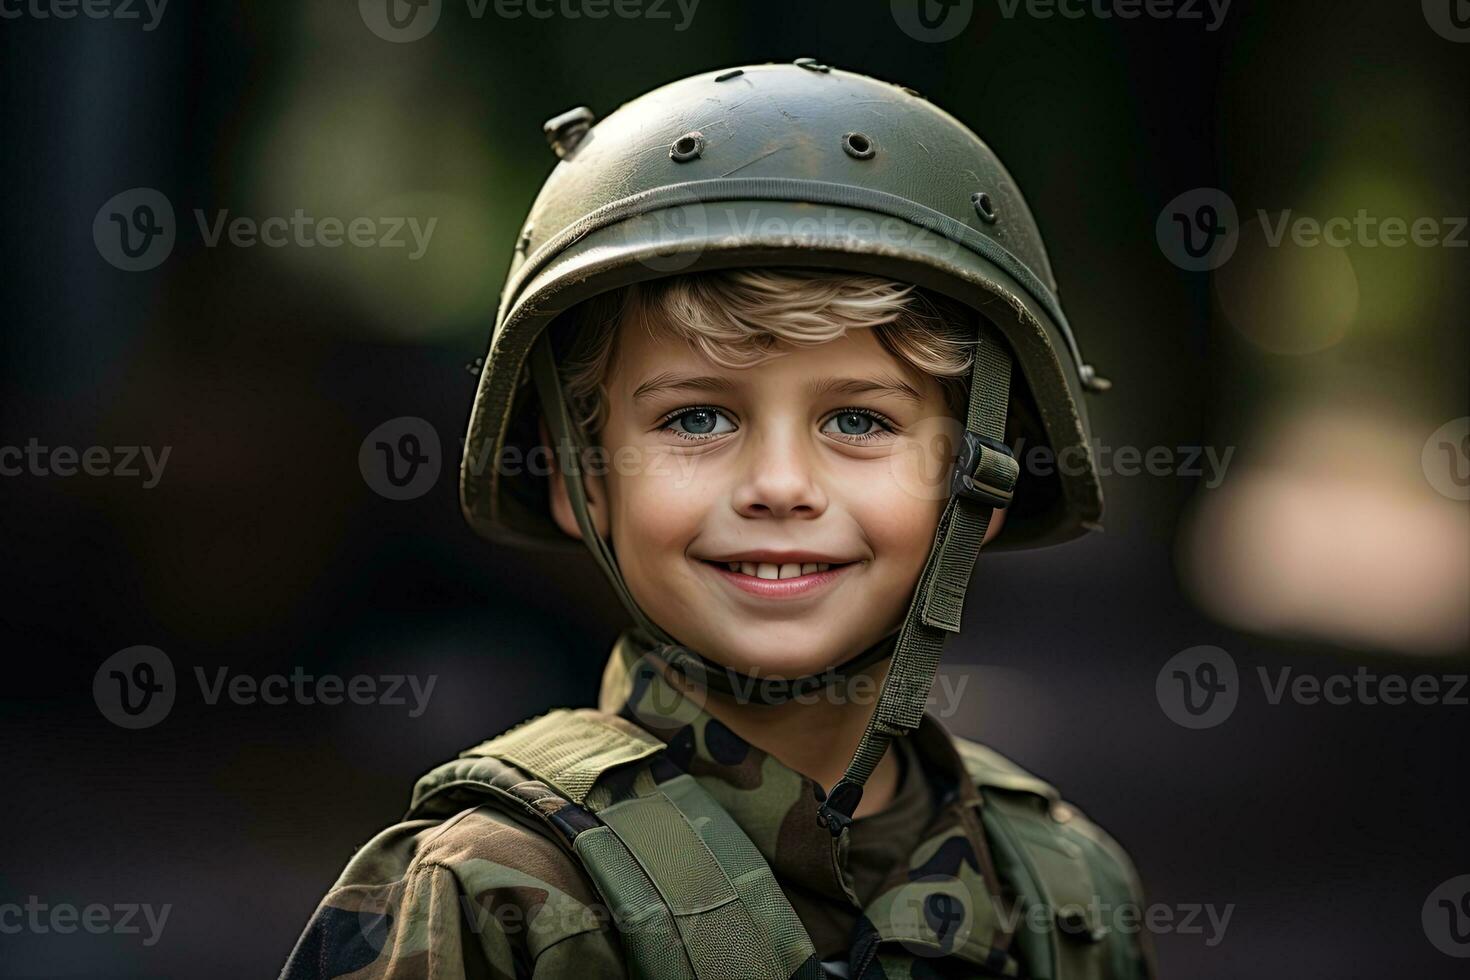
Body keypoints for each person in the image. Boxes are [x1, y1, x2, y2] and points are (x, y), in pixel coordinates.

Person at [281, 60, 1156, 980]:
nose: (779, 486)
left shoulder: (1066, 890)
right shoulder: (495, 895)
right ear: (581, 478)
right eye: (695, 418)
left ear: (983, 479)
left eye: (859, 420)